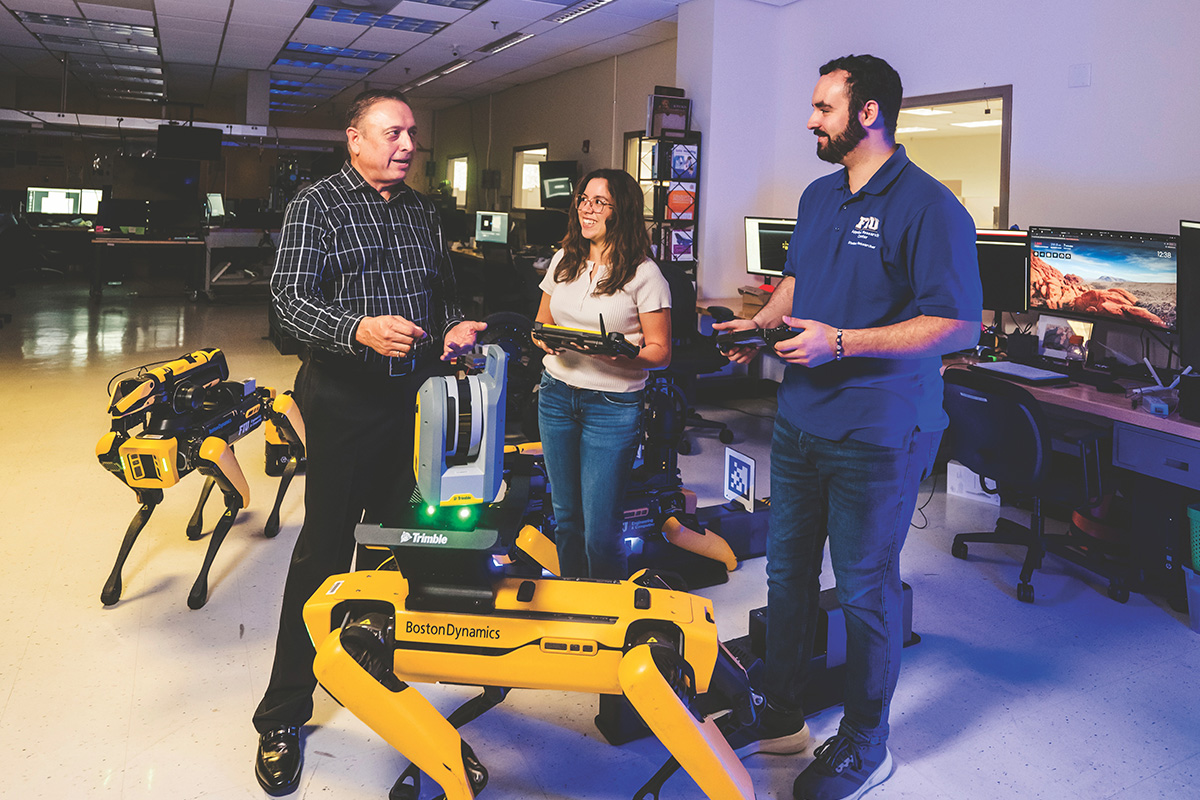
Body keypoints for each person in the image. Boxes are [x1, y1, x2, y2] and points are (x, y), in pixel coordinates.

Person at [715, 55, 981, 800]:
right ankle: (782, 710)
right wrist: (758, 325)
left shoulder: (930, 207)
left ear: (867, 113)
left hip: (878, 433)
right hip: (800, 420)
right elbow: (797, 282)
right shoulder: (819, 194)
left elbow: (958, 324)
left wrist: (843, 343)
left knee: (864, 591)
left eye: (823, 107)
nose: (810, 119)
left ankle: (869, 743)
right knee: (789, 575)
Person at [253, 88, 486, 796]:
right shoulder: (317, 206)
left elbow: (440, 294)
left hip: (412, 402)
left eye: (413, 132)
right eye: (393, 132)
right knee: (324, 549)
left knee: (394, 546)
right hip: (344, 401)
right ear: (355, 139)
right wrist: (355, 329)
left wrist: (451, 327)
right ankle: (284, 710)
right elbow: (287, 303)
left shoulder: (423, 212)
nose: (408, 143)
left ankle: (377, 676)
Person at [531, 168, 671, 579]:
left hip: (612, 406)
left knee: (599, 527)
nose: (586, 209)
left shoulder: (644, 274)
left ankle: (604, 609)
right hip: (557, 394)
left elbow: (660, 352)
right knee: (566, 517)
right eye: (583, 199)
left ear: (621, 211)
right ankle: (573, 597)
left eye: (599, 202)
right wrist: (546, 341)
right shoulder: (563, 260)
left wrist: (622, 358)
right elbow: (541, 324)